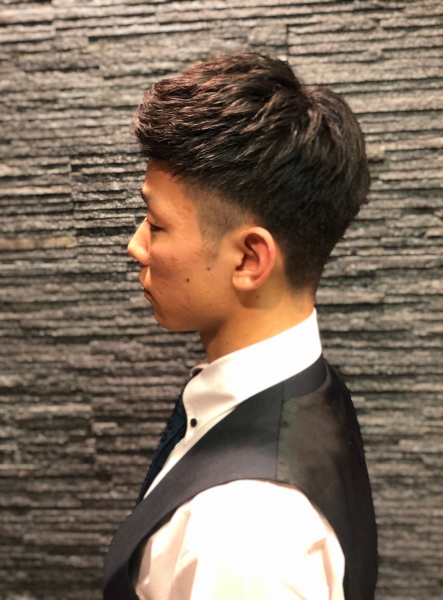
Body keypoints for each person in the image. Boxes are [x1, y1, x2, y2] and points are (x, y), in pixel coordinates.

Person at [103, 52, 378, 600]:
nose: (136, 245)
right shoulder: (310, 387)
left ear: (250, 259)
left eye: (156, 224)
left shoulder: (241, 535)